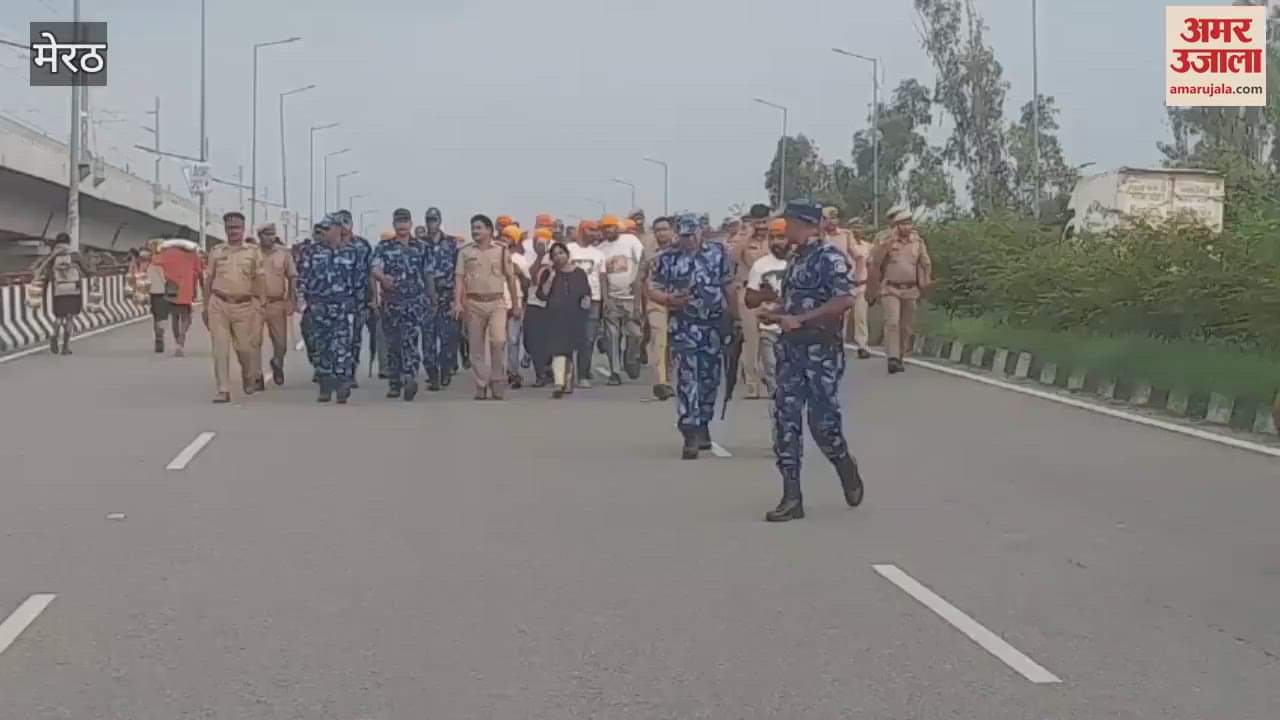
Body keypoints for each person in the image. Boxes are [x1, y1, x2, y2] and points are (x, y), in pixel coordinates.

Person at [747, 201, 864, 522]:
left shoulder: (831, 259)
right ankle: (791, 495)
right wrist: (778, 311)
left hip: (821, 352)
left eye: (790, 223)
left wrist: (803, 319)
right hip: (791, 351)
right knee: (786, 422)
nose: (787, 229)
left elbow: (844, 299)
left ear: (807, 224)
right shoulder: (796, 258)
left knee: (822, 425)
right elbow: (794, 299)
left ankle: (843, 463)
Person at [646, 214, 733, 460]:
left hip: (713, 324)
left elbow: (728, 284)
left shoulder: (718, 253)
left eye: (692, 234)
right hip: (684, 324)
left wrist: (733, 318)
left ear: (701, 232)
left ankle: (704, 421)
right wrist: (667, 300)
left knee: (710, 378)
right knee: (687, 379)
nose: (689, 239)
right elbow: (651, 287)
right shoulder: (668, 259)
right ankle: (690, 430)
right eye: (684, 235)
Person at [454, 214, 522, 400]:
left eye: (479, 228)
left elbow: (510, 279)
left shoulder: (501, 251)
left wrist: (516, 305)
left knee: (498, 341)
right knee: (475, 347)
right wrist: (458, 302)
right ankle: (481, 384)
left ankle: (497, 380)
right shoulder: (465, 252)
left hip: (497, 303)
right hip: (473, 303)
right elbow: (459, 279)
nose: (475, 232)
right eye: (473, 228)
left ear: (489, 230)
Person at [203, 212, 266, 403]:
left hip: (244, 305)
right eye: (230, 228)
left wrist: (260, 305)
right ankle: (223, 389)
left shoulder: (253, 252)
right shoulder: (217, 251)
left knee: (245, 348)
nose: (234, 232)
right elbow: (209, 279)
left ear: (243, 229)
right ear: (225, 229)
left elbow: (260, 279)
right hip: (219, 303)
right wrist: (205, 307)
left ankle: (249, 375)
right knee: (220, 349)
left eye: (237, 228)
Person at [373, 209, 433, 401]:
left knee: (411, 340)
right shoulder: (384, 247)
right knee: (393, 344)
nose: (402, 225)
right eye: (398, 221)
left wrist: (432, 298)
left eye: (405, 221)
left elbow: (428, 274)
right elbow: (375, 268)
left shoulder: (422, 247)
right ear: (393, 224)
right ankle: (394, 382)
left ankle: (410, 377)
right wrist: (383, 278)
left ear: (411, 223)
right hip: (392, 302)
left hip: (414, 302)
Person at [300, 214, 358, 403]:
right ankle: (325, 384)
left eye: (328, 229)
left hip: (342, 306)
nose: (324, 233)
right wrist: (302, 302)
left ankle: (343, 382)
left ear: (338, 229)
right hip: (318, 306)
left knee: (342, 346)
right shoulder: (311, 252)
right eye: (322, 230)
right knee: (321, 346)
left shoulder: (351, 252)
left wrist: (360, 303)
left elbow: (359, 280)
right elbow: (303, 278)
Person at [869, 205, 931, 374]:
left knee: (906, 326)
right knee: (893, 322)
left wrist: (925, 283)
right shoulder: (885, 240)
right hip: (890, 288)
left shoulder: (917, 242)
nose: (906, 227)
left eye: (908, 223)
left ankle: (900, 355)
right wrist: (886, 246)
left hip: (911, 289)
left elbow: (925, 263)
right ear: (895, 225)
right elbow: (875, 262)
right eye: (902, 224)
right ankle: (893, 358)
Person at [535, 241, 592, 398]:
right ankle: (558, 383)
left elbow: (586, 293)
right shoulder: (549, 273)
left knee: (571, 349)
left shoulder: (579, 273)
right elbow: (542, 294)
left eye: (561, 253)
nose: (558, 257)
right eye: (555, 255)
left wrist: (586, 307)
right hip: (554, 316)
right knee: (558, 349)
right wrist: (552, 275)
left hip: (575, 316)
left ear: (567, 254)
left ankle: (568, 381)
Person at [598, 214, 646, 385]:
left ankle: (630, 358)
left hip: (631, 297)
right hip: (612, 298)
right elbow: (602, 277)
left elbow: (642, 265)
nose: (608, 230)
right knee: (611, 336)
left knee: (635, 334)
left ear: (617, 227)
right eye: (604, 228)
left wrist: (638, 297)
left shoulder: (631, 241)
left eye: (611, 227)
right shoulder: (601, 248)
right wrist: (606, 299)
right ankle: (614, 372)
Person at [732, 203, 773, 399]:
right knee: (751, 341)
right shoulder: (743, 237)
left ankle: (772, 380)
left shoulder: (776, 237)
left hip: (772, 293)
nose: (762, 226)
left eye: (765, 221)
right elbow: (731, 256)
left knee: (771, 339)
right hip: (748, 292)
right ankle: (752, 384)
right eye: (758, 222)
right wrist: (748, 234)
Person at [747, 219, 790, 397]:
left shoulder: (801, 261)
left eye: (781, 237)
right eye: (772, 237)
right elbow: (750, 299)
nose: (775, 242)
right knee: (772, 369)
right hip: (769, 328)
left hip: (795, 328)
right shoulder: (761, 265)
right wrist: (769, 296)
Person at [420, 207, 460, 391]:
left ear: (440, 221)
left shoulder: (451, 244)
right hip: (426, 297)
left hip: (447, 296)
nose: (431, 223)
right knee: (428, 339)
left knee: (448, 339)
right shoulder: (419, 244)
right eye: (428, 220)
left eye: (434, 220)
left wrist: (458, 299)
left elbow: (459, 272)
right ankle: (432, 375)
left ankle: (445, 370)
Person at [254, 224, 298, 387]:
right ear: (260, 236)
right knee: (254, 342)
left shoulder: (283, 254)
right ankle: (257, 376)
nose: (270, 237)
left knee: (281, 343)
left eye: (273, 234)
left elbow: (293, 276)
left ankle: (277, 363)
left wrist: (291, 300)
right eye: (267, 234)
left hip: (276, 303)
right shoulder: (252, 254)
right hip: (255, 302)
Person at [35, 232, 91, 355]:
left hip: (59, 290)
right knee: (70, 317)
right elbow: (87, 270)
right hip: (73, 290)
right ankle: (65, 347)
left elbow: (48, 276)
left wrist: (43, 292)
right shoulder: (75, 255)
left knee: (59, 317)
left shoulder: (53, 257)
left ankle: (54, 336)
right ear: (68, 242)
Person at [638, 216, 675, 400]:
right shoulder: (649, 252)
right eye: (657, 229)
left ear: (672, 231)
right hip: (655, 300)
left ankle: (673, 377)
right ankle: (661, 382)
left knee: (675, 344)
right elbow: (641, 277)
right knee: (658, 339)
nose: (661, 233)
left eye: (665, 229)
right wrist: (640, 302)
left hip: (678, 300)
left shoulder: (682, 251)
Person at [336, 210, 374, 387]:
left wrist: (374, 298)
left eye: (346, 222)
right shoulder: (330, 246)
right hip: (336, 300)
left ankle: (350, 372)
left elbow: (371, 272)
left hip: (359, 299)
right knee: (336, 338)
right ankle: (338, 371)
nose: (343, 226)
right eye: (339, 222)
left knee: (354, 338)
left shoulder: (363, 245)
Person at [567, 220, 607, 389]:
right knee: (568, 337)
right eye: (591, 230)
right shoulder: (569, 249)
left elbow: (602, 278)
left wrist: (605, 300)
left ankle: (583, 374)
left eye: (596, 230)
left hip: (593, 300)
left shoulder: (599, 254)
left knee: (588, 339)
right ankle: (567, 374)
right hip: (570, 300)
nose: (595, 233)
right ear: (582, 231)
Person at [153, 238, 203, 357]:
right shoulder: (192, 253)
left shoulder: (167, 252)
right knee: (186, 317)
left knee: (175, 317)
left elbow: (155, 262)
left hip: (171, 288)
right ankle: (182, 339)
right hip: (186, 288)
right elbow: (199, 270)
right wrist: (202, 285)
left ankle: (177, 343)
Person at [501, 224, 533, 388]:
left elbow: (528, 283)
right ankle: (498, 373)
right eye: (503, 236)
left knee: (513, 340)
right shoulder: (494, 255)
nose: (504, 239)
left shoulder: (520, 259)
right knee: (498, 341)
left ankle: (514, 372)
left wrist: (519, 272)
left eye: (508, 237)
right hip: (497, 303)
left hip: (515, 302)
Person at [523, 227, 555, 387]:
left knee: (549, 340)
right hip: (533, 303)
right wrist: (539, 256)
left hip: (551, 305)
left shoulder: (557, 255)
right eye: (537, 241)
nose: (540, 244)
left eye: (543, 241)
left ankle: (544, 372)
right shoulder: (529, 256)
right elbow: (532, 276)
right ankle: (540, 371)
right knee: (531, 341)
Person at [846, 218, 873, 359]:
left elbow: (871, 265)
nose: (857, 230)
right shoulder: (844, 245)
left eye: (860, 227)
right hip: (845, 286)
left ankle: (862, 345)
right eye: (854, 227)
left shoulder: (868, 247)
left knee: (861, 317)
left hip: (862, 285)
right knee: (840, 318)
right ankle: (837, 345)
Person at [140, 244, 169, 353]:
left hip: (153, 291)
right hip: (163, 291)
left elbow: (142, 275)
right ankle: (160, 335)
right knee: (161, 317)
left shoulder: (148, 261)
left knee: (156, 316)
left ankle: (158, 336)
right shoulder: (165, 261)